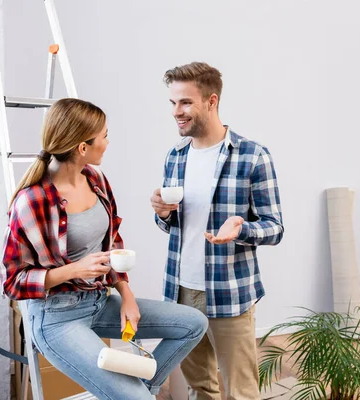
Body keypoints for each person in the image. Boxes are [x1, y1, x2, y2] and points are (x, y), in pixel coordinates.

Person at [0, 98, 208, 399]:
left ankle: (138, 392)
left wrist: (127, 296)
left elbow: (113, 244)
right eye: (105, 136)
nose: (108, 143)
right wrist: (72, 270)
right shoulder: (31, 201)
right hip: (56, 318)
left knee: (193, 323)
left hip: (99, 301)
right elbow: (11, 282)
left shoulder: (96, 180)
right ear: (82, 148)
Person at [150, 62, 284, 399]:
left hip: (230, 291)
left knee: (241, 391)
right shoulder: (175, 156)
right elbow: (173, 226)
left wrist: (240, 229)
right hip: (181, 291)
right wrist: (163, 214)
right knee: (200, 388)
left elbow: (275, 228)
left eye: (185, 103)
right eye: (173, 103)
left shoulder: (252, 156)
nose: (177, 112)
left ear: (211, 101)